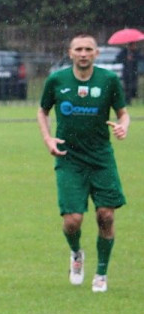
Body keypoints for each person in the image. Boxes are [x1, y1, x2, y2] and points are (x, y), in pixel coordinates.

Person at [37, 33, 130, 293]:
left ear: (96, 54)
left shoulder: (109, 80)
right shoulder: (57, 80)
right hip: (69, 159)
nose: (83, 53)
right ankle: (76, 254)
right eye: (78, 49)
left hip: (101, 158)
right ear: (70, 53)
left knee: (106, 215)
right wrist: (48, 138)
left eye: (89, 49)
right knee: (72, 221)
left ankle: (101, 273)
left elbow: (123, 113)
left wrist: (123, 127)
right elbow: (42, 111)